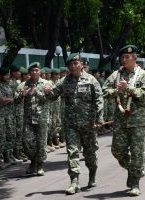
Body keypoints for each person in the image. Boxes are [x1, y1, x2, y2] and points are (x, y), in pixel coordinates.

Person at [44, 53, 104, 195]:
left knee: (90, 153)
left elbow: (99, 99)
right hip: (71, 124)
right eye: (70, 64)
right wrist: (47, 92)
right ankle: (74, 181)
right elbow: (53, 96)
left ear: (81, 64)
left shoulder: (91, 80)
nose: (73, 66)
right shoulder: (64, 81)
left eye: (76, 63)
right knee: (72, 152)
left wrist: (99, 117)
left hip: (88, 123)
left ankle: (92, 175)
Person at [102, 45, 145, 196]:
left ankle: (135, 182)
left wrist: (129, 88)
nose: (124, 60)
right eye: (122, 57)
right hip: (121, 120)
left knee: (137, 152)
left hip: (138, 121)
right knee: (117, 151)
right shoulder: (116, 75)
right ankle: (133, 170)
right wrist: (116, 91)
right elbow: (104, 91)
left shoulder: (143, 75)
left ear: (135, 58)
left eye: (127, 57)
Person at [15, 62, 52, 176]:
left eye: (36, 70)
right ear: (29, 72)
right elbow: (16, 100)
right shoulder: (23, 85)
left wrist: (39, 93)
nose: (34, 72)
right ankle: (33, 160)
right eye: (32, 70)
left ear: (40, 72)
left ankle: (39, 165)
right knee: (27, 142)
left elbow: (51, 98)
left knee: (41, 142)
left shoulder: (47, 83)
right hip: (28, 118)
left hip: (42, 117)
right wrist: (22, 95)